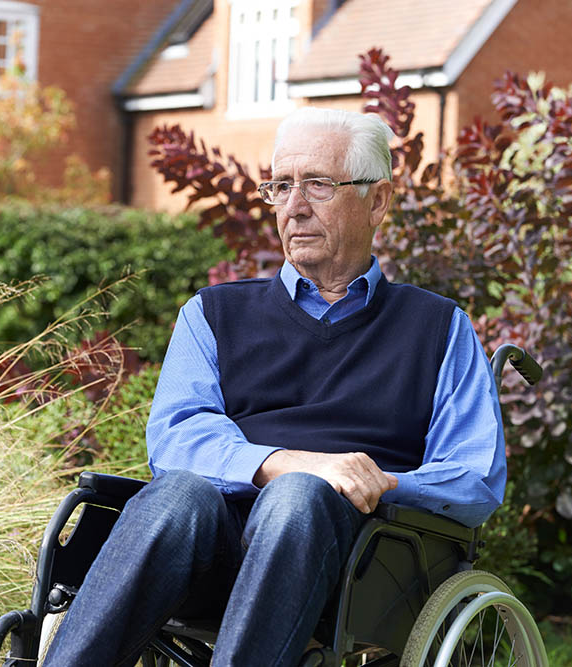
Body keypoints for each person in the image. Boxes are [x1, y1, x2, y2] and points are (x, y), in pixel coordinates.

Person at [42, 107, 505, 666]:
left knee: (298, 498)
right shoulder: (213, 314)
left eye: (317, 185)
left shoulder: (437, 326)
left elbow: (475, 477)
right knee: (176, 494)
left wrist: (375, 482)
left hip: (359, 564)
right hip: (209, 554)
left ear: (378, 201)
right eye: (281, 186)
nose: (294, 206)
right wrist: (287, 462)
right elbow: (176, 439)